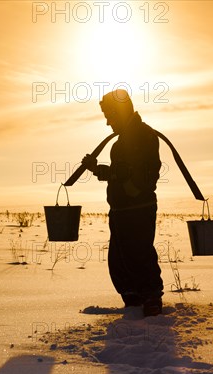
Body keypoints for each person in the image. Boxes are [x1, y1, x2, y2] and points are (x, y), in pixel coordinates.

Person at [82, 89, 164, 317]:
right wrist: (96, 169)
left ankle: (151, 298)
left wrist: (132, 189)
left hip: (138, 208)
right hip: (120, 209)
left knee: (140, 252)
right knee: (119, 259)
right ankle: (132, 300)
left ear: (121, 111)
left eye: (110, 115)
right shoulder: (121, 141)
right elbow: (118, 173)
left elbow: (148, 172)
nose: (108, 122)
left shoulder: (144, 135)